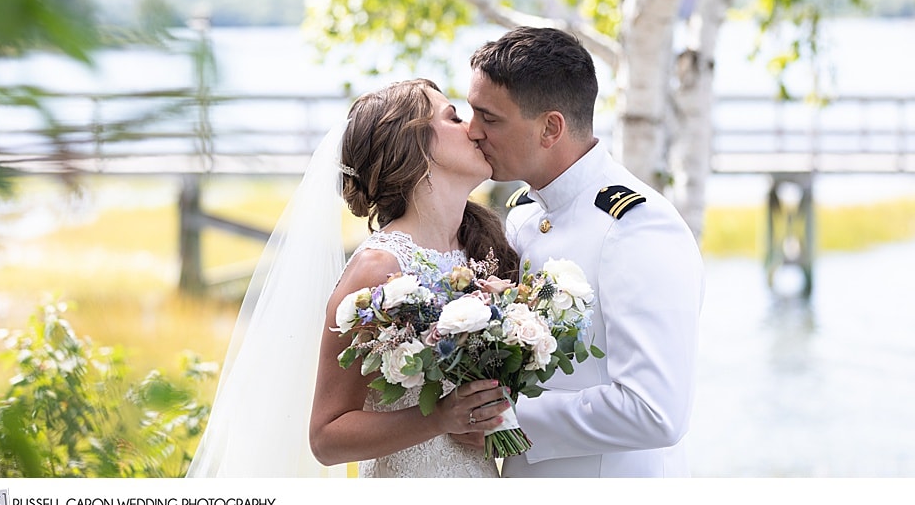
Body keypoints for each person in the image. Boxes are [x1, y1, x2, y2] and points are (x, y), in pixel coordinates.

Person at [187, 78, 513, 478]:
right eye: (453, 117)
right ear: (415, 148)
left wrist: (493, 421)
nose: (473, 129)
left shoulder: (483, 250)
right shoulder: (378, 270)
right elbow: (326, 437)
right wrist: (439, 419)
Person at [464, 26, 705, 477]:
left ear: (550, 128)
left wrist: (503, 418)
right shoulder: (522, 215)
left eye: (489, 118)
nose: (471, 132)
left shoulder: (636, 227)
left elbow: (655, 410)